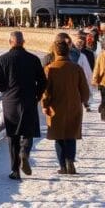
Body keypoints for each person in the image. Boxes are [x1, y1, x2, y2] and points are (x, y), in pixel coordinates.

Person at [0, 31, 46, 180]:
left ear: (10, 42)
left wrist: (6, 90)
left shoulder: (2, 59)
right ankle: (25, 153)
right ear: (23, 42)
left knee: (13, 136)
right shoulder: (33, 59)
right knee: (28, 132)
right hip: (29, 100)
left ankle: (15, 170)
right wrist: (37, 95)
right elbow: (42, 81)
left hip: (10, 102)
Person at [42, 39, 90, 175]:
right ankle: (70, 161)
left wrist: (45, 105)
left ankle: (62, 165)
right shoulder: (76, 68)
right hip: (74, 106)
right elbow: (85, 90)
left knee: (59, 137)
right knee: (70, 135)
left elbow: (46, 91)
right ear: (68, 51)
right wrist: (82, 101)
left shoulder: (50, 69)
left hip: (55, 108)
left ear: (55, 52)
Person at [91, 47, 105, 121]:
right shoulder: (101, 55)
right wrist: (94, 79)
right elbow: (97, 67)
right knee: (104, 99)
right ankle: (103, 115)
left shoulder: (101, 54)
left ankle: (102, 108)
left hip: (102, 81)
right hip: (103, 81)